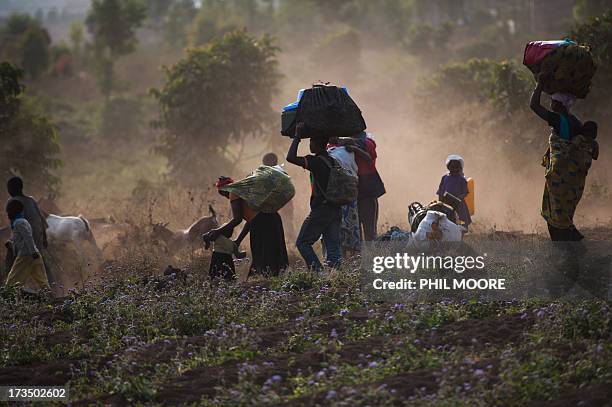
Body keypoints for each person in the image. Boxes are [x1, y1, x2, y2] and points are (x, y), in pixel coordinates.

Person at [530, 83, 591, 241]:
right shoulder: (575, 122)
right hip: (572, 178)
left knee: (556, 217)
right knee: (565, 211)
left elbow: (534, 105)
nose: (550, 103)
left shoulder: (558, 119)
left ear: (558, 104)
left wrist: (539, 86)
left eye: (553, 101)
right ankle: (572, 243)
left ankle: (565, 252)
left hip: (560, 175)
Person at [203, 176, 288, 277]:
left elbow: (237, 219)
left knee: (261, 253)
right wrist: (238, 240)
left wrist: (217, 231)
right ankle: (269, 278)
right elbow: (250, 221)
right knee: (271, 251)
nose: (226, 197)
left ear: (225, 189)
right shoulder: (243, 190)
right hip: (272, 218)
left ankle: (261, 280)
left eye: (223, 193)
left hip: (262, 222)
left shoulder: (233, 192)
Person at [287, 123, 342, 271]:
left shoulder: (315, 161)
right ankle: (337, 278)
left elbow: (290, 157)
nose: (309, 144)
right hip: (335, 208)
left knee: (302, 243)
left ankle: (318, 272)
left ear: (317, 144)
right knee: (333, 247)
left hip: (322, 210)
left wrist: (297, 136)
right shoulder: (332, 160)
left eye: (311, 141)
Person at [327, 137, 369, 255]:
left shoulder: (335, 152)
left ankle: (344, 258)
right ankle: (352, 255)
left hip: (338, 196)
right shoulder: (344, 151)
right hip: (347, 195)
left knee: (341, 227)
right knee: (350, 225)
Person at [5, 177, 50, 282]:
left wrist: (11, 241)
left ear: (11, 189)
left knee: (12, 268)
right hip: (37, 243)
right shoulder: (31, 200)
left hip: (24, 247)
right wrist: (44, 238)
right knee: (40, 269)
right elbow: (41, 219)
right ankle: (49, 291)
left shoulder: (12, 202)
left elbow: (17, 229)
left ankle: (8, 290)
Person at [4, 199, 49, 293]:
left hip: (25, 255)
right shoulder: (22, 221)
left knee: (11, 282)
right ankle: (49, 297)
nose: (7, 214)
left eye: (8, 212)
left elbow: (28, 237)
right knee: (42, 281)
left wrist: (32, 252)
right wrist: (10, 242)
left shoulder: (18, 222)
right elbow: (19, 237)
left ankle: (10, 298)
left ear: (14, 211)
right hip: (34, 254)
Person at [262, 152, 296, 240]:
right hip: (285, 203)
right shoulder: (280, 171)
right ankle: (291, 243)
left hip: (281, 204)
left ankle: (291, 244)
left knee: (286, 225)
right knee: (287, 224)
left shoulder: (273, 173)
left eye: (265, 162)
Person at [437, 154, 471, 228]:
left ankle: (463, 230)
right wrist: (440, 202)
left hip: (458, 203)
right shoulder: (445, 178)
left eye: (456, 166)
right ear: (448, 166)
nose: (454, 168)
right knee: (444, 216)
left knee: (463, 217)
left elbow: (465, 192)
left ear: (460, 168)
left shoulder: (462, 179)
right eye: (452, 166)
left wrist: (459, 198)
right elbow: (440, 191)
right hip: (446, 202)